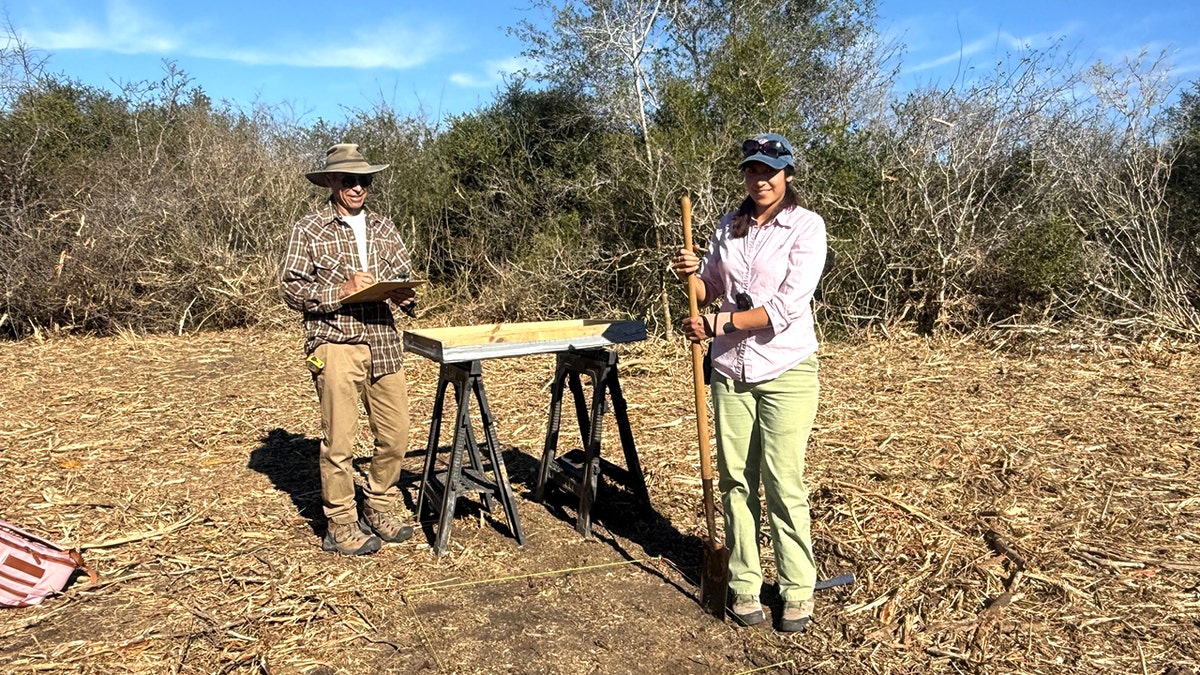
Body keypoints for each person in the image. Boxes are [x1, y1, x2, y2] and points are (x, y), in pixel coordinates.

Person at [671, 132, 827, 632]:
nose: (761, 179)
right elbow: (711, 287)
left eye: (770, 170)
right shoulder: (728, 226)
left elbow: (785, 307)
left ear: (787, 175)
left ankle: (797, 588)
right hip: (729, 371)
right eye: (753, 170)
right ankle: (742, 582)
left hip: (785, 368)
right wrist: (691, 275)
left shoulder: (806, 228)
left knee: (783, 480)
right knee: (736, 478)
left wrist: (719, 325)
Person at [281, 143, 419, 556]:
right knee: (339, 441)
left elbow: (404, 278)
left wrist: (404, 296)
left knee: (395, 435)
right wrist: (340, 291)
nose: (358, 187)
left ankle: (378, 504)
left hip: (383, 340)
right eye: (349, 180)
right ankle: (340, 522)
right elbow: (291, 288)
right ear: (330, 182)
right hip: (335, 341)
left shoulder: (385, 227)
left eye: (364, 180)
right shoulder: (308, 229)